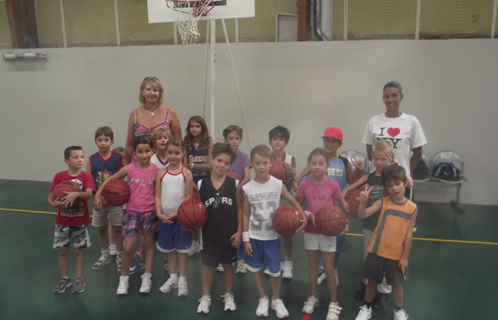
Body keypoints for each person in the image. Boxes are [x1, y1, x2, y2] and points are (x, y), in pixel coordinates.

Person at [242, 144, 307, 319]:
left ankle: (276, 299)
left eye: (264, 163)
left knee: (275, 271)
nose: (261, 167)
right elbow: (245, 214)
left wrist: (303, 217)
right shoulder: (247, 188)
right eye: (257, 163)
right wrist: (245, 238)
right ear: (251, 164)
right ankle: (263, 298)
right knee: (256, 269)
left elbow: (293, 201)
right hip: (254, 236)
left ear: (271, 163)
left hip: (272, 237)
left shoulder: (277, 184)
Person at [295, 127, 363, 285]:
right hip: (315, 207)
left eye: (333, 141)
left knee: (336, 242)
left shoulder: (343, 162)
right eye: (327, 140)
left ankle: (333, 269)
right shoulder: (317, 159)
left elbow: (352, 182)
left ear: (340, 144)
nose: (329, 143)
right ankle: (321, 269)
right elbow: (306, 172)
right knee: (317, 242)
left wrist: (359, 172)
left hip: (334, 210)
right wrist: (297, 178)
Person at [94, 136, 160, 296]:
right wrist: (98, 195)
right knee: (128, 248)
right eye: (140, 152)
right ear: (135, 153)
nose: (144, 155)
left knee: (149, 244)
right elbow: (109, 179)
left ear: (152, 151)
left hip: (150, 212)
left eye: (147, 151)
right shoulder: (130, 168)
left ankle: (147, 276)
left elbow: (160, 192)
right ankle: (123, 278)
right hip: (131, 212)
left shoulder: (157, 171)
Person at [355, 165, 418, 320]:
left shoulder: (412, 208)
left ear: (405, 183)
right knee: (371, 282)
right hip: (377, 251)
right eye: (389, 186)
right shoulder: (382, 202)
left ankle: (399, 310)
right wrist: (363, 203)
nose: (394, 188)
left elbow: (409, 234)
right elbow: (362, 215)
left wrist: (404, 257)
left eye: (397, 184)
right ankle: (366, 307)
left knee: (396, 285)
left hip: (396, 254)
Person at [341, 140, 395, 309]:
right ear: (371, 158)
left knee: (385, 259)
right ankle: (367, 285)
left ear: (390, 158)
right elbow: (347, 189)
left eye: (383, 159)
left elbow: (407, 182)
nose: (379, 163)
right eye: (376, 159)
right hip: (369, 224)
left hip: (387, 226)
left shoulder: (392, 176)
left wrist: (394, 167)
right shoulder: (369, 177)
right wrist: (343, 198)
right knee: (368, 257)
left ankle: (384, 292)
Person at [296, 148, 343, 320]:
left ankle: (334, 303)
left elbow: (337, 210)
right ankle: (312, 296)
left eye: (320, 163)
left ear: (327, 165)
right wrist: (309, 216)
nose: (317, 167)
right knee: (313, 265)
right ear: (309, 165)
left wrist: (340, 224)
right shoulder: (304, 184)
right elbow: (298, 207)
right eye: (313, 163)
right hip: (310, 231)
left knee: (329, 268)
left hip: (328, 232)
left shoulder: (333, 185)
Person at [196, 142, 242, 314]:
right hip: (208, 234)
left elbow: (239, 208)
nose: (222, 165)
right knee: (208, 266)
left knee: (228, 265)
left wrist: (239, 232)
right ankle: (205, 296)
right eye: (219, 161)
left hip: (229, 233)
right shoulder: (201, 184)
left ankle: (228, 295)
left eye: (226, 163)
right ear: (211, 159)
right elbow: (195, 210)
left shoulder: (234, 184)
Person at [362, 81, 427, 199]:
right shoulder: (373, 121)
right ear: (383, 98)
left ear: (401, 97)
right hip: (378, 180)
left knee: (401, 215)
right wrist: (380, 169)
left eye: (394, 95)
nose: (390, 99)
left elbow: (417, 153)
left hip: (400, 182)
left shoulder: (412, 121)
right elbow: (370, 151)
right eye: (386, 96)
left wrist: (404, 173)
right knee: (377, 213)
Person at [48, 146, 96, 294]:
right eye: (76, 157)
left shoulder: (86, 177)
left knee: (78, 250)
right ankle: (64, 278)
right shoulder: (59, 177)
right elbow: (50, 196)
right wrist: (54, 204)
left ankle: (79, 278)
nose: (80, 159)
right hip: (62, 221)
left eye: (82, 156)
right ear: (66, 161)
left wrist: (75, 195)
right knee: (62, 251)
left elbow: (89, 193)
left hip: (79, 221)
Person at [155, 137, 194, 297]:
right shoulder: (161, 173)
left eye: (176, 153)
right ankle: (173, 278)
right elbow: (157, 195)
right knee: (169, 250)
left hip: (181, 219)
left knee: (182, 250)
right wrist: (159, 213)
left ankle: (183, 280)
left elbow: (189, 198)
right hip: (164, 218)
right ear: (166, 152)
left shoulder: (186, 173)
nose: (173, 156)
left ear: (182, 153)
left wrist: (177, 214)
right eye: (170, 152)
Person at [87, 127, 124, 272]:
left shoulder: (119, 158)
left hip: (116, 200)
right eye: (100, 140)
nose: (103, 143)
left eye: (106, 140)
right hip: (99, 200)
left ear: (112, 141)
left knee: (117, 228)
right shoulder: (91, 159)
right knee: (101, 228)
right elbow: (88, 181)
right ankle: (104, 255)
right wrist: (96, 196)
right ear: (96, 141)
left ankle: (120, 255)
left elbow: (125, 176)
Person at [123, 77, 182, 165]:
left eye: (155, 90)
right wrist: (125, 166)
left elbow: (178, 143)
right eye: (148, 89)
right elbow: (129, 144)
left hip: (164, 164)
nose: (152, 93)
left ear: (160, 93)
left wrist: (181, 167)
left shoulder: (170, 113)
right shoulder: (134, 114)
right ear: (142, 91)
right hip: (139, 165)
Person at [267, 125, 296, 279]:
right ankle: (275, 261)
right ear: (270, 141)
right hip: (271, 198)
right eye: (275, 139)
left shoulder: (291, 160)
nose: (278, 142)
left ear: (285, 142)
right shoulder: (266, 159)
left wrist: (291, 177)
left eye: (281, 139)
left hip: (286, 198)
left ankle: (288, 262)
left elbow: (292, 184)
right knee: (272, 232)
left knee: (287, 231)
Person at [222, 125, 251, 274]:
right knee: (225, 227)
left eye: (236, 138)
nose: (234, 141)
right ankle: (224, 259)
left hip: (239, 194)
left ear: (240, 140)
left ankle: (241, 260)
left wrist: (238, 187)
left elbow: (247, 177)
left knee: (240, 226)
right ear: (226, 140)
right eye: (231, 138)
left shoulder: (244, 157)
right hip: (224, 195)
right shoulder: (222, 156)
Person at [184, 115, 214, 255]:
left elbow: (210, 165)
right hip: (192, 182)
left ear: (203, 127)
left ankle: (209, 242)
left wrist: (194, 165)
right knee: (193, 213)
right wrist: (194, 169)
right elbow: (185, 168)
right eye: (192, 126)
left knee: (210, 211)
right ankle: (195, 242)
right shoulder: (186, 142)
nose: (194, 129)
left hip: (207, 181)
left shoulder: (208, 142)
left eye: (197, 126)